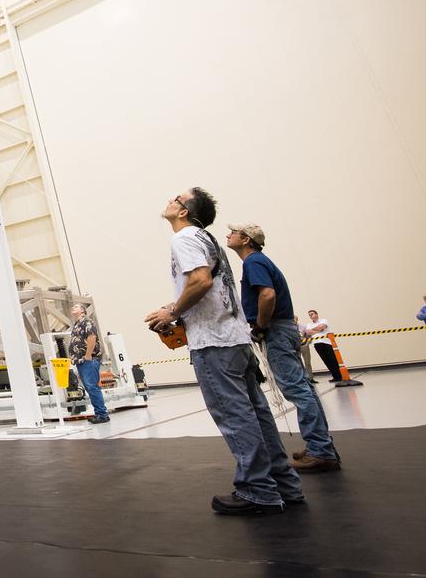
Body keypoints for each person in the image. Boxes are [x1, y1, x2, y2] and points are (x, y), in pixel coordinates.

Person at [145, 187, 303, 516]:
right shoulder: (208, 239)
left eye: (176, 197)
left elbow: (200, 281)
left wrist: (172, 312)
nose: (170, 200)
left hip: (214, 342)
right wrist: (176, 307)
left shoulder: (184, 239)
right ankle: (285, 484)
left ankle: (258, 491)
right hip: (236, 338)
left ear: (184, 211)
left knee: (235, 417)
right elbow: (209, 285)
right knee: (258, 414)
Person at [227, 224, 340, 473]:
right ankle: (321, 446)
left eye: (233, 233)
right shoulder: (261, 260)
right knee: (305, 389)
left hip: (276, 330)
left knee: (297, 391)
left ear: (245, 239)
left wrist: (260, 327)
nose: (228, 236)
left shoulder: (253, 263)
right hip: (286, 328)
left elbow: (266, 295)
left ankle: (320, 450)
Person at [68, 304, 109, 424]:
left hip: (88, 360)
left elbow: (92, 337)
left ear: (82, 311)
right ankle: (99, 413)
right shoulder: (77, 324)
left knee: (92, 387)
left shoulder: (86, 321)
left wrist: (88, 355)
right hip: (81, 361)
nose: (73, 308)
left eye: (76, 307)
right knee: (90, 388)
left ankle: (102, 414)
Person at [302, 310, 344, 382]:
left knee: (333, 360)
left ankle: (340, 376)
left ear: (316, 314)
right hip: (317, 344)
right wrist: (318, 330)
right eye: (309, 315)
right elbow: (308, 332)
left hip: (327, 343)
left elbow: (322, 326)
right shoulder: (309, 324)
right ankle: (335, 377)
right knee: (326, 361)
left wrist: (315, 330)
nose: (310, 316)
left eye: (312, 314)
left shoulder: (323, 320)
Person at [295, 315, 317, 383]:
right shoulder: (289, 328)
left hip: (304, 346)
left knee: (307, 362)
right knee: (297, 363)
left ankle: (310, 378)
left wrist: (307, 343)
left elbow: (308, 336)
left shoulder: (303, 327)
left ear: (297, 319)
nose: (293, 320)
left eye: (294, 319)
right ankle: (301, 379)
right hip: (295, 347)